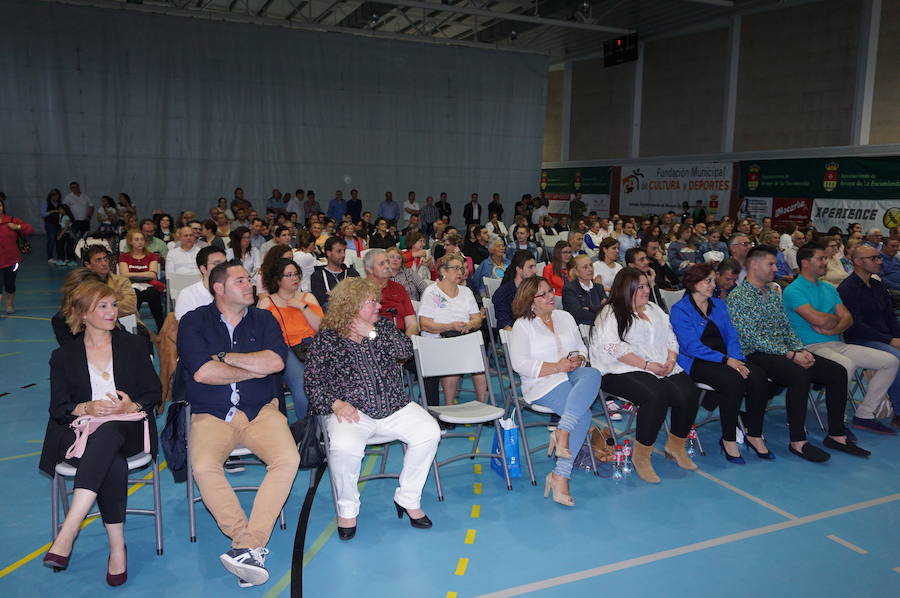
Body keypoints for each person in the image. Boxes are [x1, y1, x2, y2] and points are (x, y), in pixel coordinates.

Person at [177, 262, 299, 586]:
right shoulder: (193, 322)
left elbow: (275, 362)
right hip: (211, 413)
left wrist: (224, 358)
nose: (250, 284)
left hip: (261, 410)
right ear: (218, 288)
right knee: (204, 465)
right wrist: (254, 368)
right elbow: (202, 373)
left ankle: (246, 546)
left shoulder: (264, 318)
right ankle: (247, 542)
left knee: (288, 459)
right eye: (240, 280)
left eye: (250, 279)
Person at [40, 281, 160, 585]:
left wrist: (130, 404)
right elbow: (59, 408)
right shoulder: (63, 356)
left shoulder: (133, 345)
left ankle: (68, 531)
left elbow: (154, 392)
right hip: (82, 436)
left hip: (130, 427)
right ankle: (117, 548)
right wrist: (87, 408)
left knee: (110, 433)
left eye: (113, 305)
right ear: (82, 313)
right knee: (110, 459)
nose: (111, 312)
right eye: (102, 306)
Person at [304, 276, 440, 539]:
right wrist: (335, 403)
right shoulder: (328, 339)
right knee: (344, 447)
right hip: (353, 412)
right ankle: (347, 510)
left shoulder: (383, 328)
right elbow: (312, 382)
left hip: (394, 406)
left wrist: (373, 334)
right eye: (372, 302)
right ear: (353, 305)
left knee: (429, 432)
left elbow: (405, 350)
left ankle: (408, 498)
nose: (378, 306)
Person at [727, 245, 870, 461]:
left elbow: (786, 328)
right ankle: (798, 441)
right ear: (754, 266)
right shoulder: (739, 296)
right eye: (771, 264)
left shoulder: (773, 293)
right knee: (799, 374)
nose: (775, 268)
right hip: (756, 353)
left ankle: (836, 434)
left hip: (783, 351)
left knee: (837, 371)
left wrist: (799, 349)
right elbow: (751, 338)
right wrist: (790, 354)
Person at [589, 267, 700, 483]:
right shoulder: (611, 312)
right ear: (626, 289)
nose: (646, 290)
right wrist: (647, 365)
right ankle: (642, 456)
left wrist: (670, 361)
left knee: (689, 392)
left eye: (646, 285)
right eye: (639, 287)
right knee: (655, 395)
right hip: (617, 369)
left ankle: (675, 446)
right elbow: (613, 348)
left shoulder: (654, 310)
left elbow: (671, 338)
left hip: (657, 366)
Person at [783, 243, 898, 436]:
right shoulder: (793, 290)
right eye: (820, 258)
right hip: (809, 347)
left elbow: (848, 319)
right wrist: (835, 320)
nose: (825, 262)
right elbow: (820, 319)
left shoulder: (828, 288)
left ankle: (865, 415)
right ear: (805, 263)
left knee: (890, 361)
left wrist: (831, 326)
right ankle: (838, 422)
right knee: (845, 364)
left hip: (836, 342)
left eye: (825, 258)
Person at [509, 276, 600, 505]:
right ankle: (561, 476)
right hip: (542, 382)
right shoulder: (522, 326)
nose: (551, 296)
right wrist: (556, 367)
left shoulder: (564, 317)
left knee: (593, 374)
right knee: (584, 415)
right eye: (544, 294)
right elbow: (520, 364)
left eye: (551, 291)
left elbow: (580, 346)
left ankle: (563, 431)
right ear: (531, 301)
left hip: (570, 374)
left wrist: (579, 357)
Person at [670, 264, 771, 463]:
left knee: (758, 377)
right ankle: (729, 439)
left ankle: (754, 433)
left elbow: (733, 336)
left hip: (727, 358)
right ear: (693, 283)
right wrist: (726, 360)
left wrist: (735, 358)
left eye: (713, 280)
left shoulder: (719, 305)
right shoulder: (680, 310)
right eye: (707, 281)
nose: (712, 285)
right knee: (733, 382)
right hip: (697, 361)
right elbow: (690, 346)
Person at [838, 243, 900, 429]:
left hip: (882, 336)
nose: (879, 261)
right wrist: (890, 340)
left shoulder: (876, 284)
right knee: (896, 357)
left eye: (878, 257)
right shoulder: (847, 288)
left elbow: (890, 315)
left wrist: (897, 336)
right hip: (860, 339)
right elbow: (856, 325)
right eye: (874, 258)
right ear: (857, 262)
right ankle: (898, 411)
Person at [257, 258, 323, 421]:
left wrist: (302, 307)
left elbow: (322, 329)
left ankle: (327, 428)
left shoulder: (308, 298)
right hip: (284, 349)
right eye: (289, 275)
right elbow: (260, 337)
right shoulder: (267, 302)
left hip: (312, 345)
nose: (295, 278)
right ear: (278, 279)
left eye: (296, 274)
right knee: (302, 387)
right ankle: (308, 434)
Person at [418, 254, 487, 403]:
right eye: (455, 268)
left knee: (480, 363)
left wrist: (469, 325)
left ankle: (483, 404)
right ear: (443, 271)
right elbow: (424, 324)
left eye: (461, 268)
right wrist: (449, 326)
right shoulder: (432, 292)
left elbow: (476, 319)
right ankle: (450, 405)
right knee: (454, 361)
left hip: (461, 337)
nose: (460, 272)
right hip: (437, 341)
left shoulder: (466, 292)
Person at [118, 229, 164, 330]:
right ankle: (132, 329)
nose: (140, 242)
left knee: (154, 296)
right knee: (134, 297)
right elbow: (124, 275)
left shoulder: (151, 256)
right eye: (136, 239)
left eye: (142, 239)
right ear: (130, 242)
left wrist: (133, 274)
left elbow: (153, 275)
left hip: (149, 285)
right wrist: (144, 274)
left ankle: (161, 330)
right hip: (131, 286)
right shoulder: (124, 256)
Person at [175, 246, 228, 320]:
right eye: (216, 264)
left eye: (225, 263)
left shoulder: (234, 290)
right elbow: (186, 328)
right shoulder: (188, 295)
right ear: (203, 269)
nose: (224, 267)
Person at [0, 197, 33, 314]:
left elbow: (29, 229)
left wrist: (17, 227)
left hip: (11, 260)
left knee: (10, 284)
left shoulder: (11, 220)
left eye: (0, 205)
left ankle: (9, 303)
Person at [309, 237, 360, 309]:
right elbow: (321, 301)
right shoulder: (318, 276)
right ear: (328, 253)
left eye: (344, 251)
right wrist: (348, 295)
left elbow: (360, 295)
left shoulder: (352, 273)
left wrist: (333, 294)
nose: (343, 255)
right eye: (339, 251)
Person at [493, 250, 538, 330]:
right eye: (530, 267)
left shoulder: (537, 288)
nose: (535, 271)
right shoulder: (503, 294)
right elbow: (505, 326)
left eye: (535, 266)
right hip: (518, 335)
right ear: (519, 269)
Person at [562, 254, 606, 326]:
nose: (590, 269)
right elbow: (578, 314)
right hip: (581, 329)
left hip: (601, 326)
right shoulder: (569, 289)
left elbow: (606, 310)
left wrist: (588, 308)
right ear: (576, 272)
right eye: (585, 267)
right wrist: (599, 310)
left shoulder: (599, 288)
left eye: (591, 265)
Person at [624, 247, 667, 313]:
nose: (647, 262)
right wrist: (651, 285)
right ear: (631, 265)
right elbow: (654, 309)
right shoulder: (628, 285)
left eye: (646, 258)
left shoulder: (649, 275)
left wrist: (652, 284)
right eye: (642, 260)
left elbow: (659, 307)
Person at [42, 188, 64, 264]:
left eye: (57, 196)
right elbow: (43, 213)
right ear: (50, 196)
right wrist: (52, 211)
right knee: (51, 240)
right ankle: (50, 257)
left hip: (59, 224)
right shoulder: (46, 203)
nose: (55, 197)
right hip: (50, 224)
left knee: (59, 240)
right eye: (53, 195)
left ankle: (60, 257)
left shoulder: (60, 203)